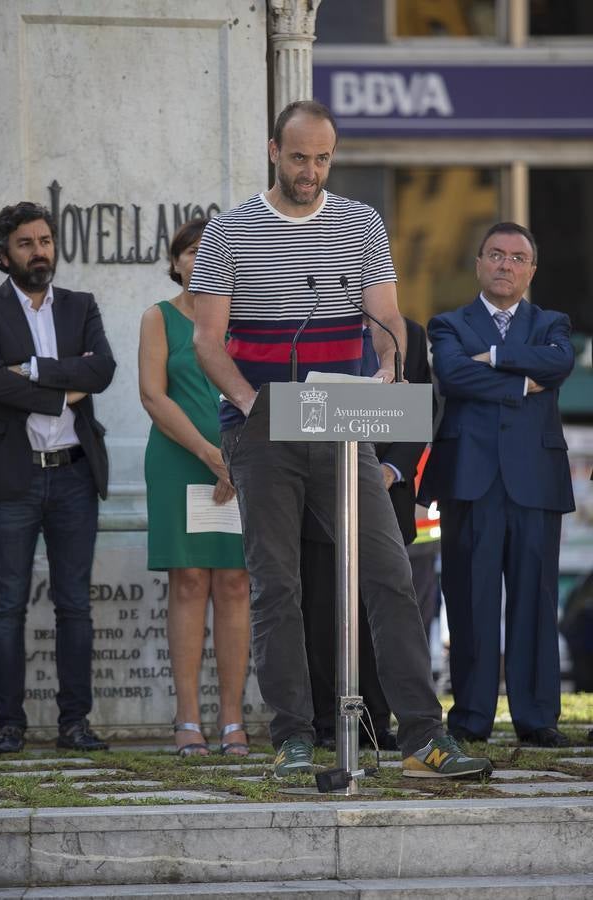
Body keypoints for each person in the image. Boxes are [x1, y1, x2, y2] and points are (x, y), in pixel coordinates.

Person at [189, 99, 491, 780]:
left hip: (339, 422)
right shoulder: (230, 232)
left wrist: (386, 368)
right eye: (299, 157)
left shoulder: (361, 222)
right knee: (277, 586)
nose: (312, 171)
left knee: (388, 575)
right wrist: (250, 401)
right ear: (274, 150)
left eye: (323, 158)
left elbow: (387, 320)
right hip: (260, 428)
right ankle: (294, 737)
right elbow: (208, 341)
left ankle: (423, 738)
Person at [419, 222, 575, 748]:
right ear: (479, 263)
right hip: (471, 478)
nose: (505, 265)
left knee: (535, 599)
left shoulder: (553, 321)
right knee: (469, 599)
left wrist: (496, 359)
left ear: (531, 269)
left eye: (517, 257)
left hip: (535, 479)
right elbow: (454, 376)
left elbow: (560, 363)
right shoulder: (449, 324)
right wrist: (523, 384)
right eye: (495, 255)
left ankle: (536, 718)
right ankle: (471, 716)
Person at [0, 201, 116, 754]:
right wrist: (64, 389)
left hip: (72, 475)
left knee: (74, 604)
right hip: (11, 480)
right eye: (26, 243)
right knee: (6, 604)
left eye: (44, 240)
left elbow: (103, 370)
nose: (39, 251)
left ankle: (74, 723)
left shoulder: (79, 306)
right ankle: (9, 725)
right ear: (4, 255)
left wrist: (35, 371)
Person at [139, 219, 250, 757]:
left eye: (211, 250)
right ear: (177, 260)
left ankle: (232, 718)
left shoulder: (246, 315)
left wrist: (236, 459)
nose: (200, 257)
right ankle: (186, 718)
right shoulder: (158, 318)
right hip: (181, 463)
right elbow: (153, 397)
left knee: (234, 584)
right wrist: (212, 456)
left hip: (243, 465)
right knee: (188, 583)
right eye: (191, 250)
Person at [301, 317, 437, 752]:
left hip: (386, 489)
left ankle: (378, 720)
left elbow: (422, 408)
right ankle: (326, 720)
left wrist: (391, 468)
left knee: (384, 605)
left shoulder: (408, 335)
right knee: (322, 606)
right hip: (319, 489)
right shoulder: (310, 322)